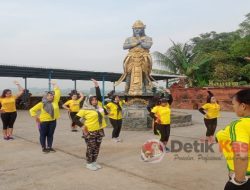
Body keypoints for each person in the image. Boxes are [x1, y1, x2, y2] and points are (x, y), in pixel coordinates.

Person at [216, 89, 250, 189]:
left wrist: (238, 182)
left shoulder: (240, 125)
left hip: (245, 177)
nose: (233, 107)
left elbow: (241, 155)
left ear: (243, 106)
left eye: (234, 104)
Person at [74, 79, 107, 171]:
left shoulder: (99, 107)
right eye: (92, 100)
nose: (95, 101)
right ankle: (89, 163)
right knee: (91, 147)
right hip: (90, 131)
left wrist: (96, 85)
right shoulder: (85, 109)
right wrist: (82, 126)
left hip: (99, 130)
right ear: (89, 101)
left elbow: (100, 96)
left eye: (95, 100)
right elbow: (75, 119)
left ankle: (94, 161)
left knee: (97, 147)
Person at [29, 82, 61, 153]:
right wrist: (36, 117)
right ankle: (44, 147)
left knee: (50, 134)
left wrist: (55, 84)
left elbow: (57, 91)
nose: (50, 96)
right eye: (49, 95)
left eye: (52, 95)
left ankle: (49, 147)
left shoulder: (55, 101)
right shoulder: (41, 104)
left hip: (53, 121)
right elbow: (32, 110)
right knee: (43, 135)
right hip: (43, 122)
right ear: (45, 96)